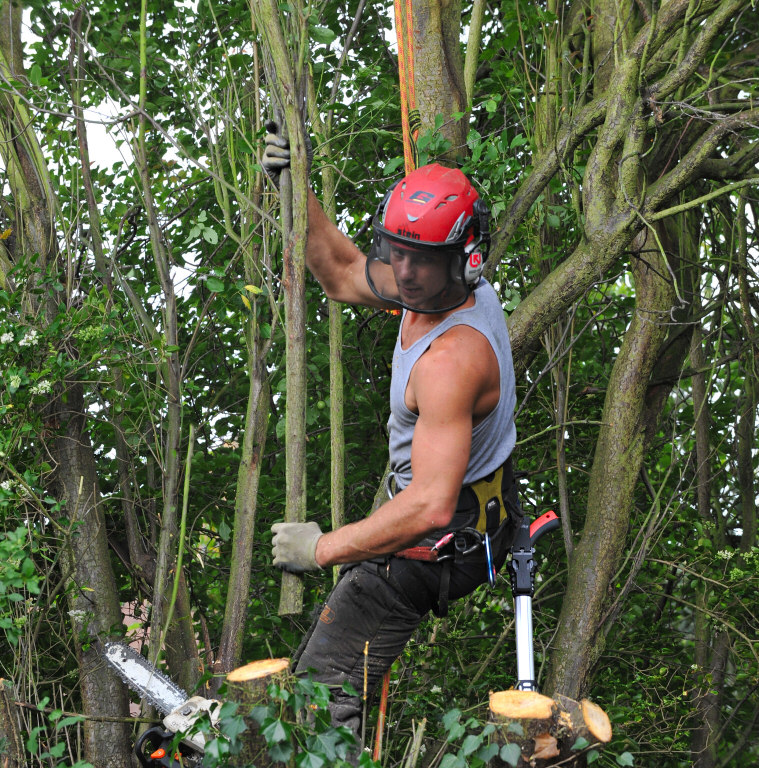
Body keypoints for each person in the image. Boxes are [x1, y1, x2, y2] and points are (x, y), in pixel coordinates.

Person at [262, 125, 522, 741]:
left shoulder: (451, 361)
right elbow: (343, 272)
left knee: (322, 693)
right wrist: (293, 189)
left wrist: (320, 548)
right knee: (321, 676)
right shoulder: (430, 283)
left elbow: (430, 505)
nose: (403, 273)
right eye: (396, 251)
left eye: (421, 261)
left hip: (448, 536)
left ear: (467, 259)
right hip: (455, 503)